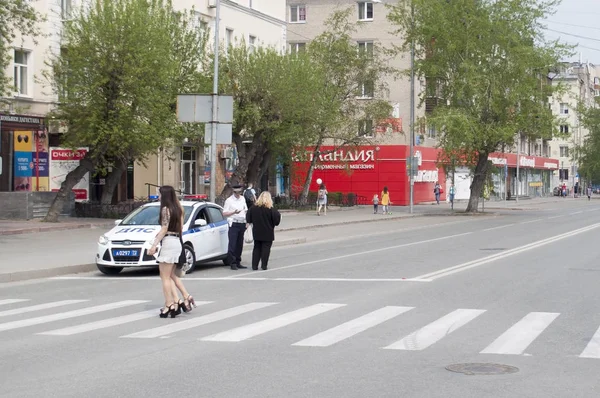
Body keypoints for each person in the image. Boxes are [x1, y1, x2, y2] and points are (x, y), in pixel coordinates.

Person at [147, 185, 196, 318]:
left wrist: (154, 245)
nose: (158, 196)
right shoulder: (179, 208)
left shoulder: (165, 209)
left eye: (160, 194)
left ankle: (169, 304)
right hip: (176, 242)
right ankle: (177, 301)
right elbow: (180, 227)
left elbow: (164, 228)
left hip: (168, 242)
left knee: (165, 277)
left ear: (165, 195)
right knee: (170, 275)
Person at [246, 192, 281, 270]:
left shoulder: (253, 208)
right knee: (266, 249)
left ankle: (254, 265)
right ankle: (264, 265)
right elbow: (277, 221)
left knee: (256, 248)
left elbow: (248, 218)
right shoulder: (271, 209)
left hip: (257, 231)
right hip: (268, 232)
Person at [223, 184, 248, 270]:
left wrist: (247, 222)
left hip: (242, 222)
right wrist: (233, 212)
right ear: (233, 192)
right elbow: (224, 213)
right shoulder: (229, 200)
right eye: (236, 193)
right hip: (233, 223)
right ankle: (232, 263)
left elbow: (245, 210)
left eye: (239, 192)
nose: (238, 194)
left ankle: (238, 261)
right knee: (232, 244)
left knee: (239, 244)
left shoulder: (243, 199)